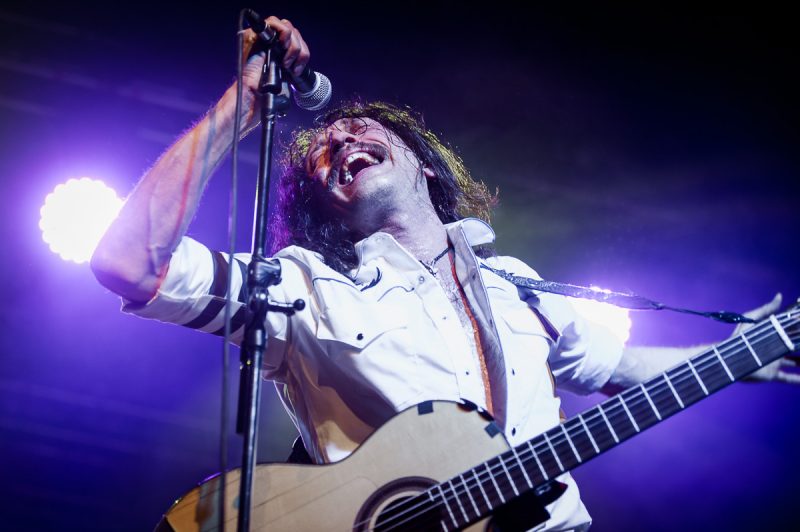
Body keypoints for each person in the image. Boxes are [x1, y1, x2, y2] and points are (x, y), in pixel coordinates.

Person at [90, 16, 794, 531]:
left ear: (423, 164)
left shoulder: (517, 286)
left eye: (365, 130)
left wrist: (743, 354)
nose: (341, 139)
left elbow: (618, 367)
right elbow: (129, 263)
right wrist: (242, 108)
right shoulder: (303, 287)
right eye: (322, 154)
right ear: (323, 206)